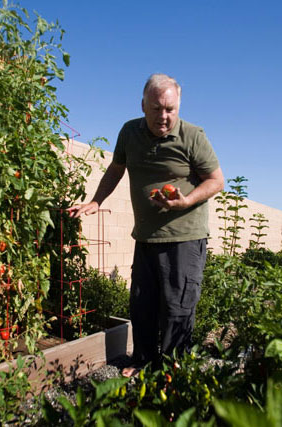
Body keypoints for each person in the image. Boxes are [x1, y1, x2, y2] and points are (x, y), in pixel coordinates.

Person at [69, 73, 224, 376]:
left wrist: (186, 201)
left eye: (170, 110)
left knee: (177, 307)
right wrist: (96, 201)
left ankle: (171, 370)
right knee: (142, 304)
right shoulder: (129, 132)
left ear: (178, 107)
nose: (164, 117)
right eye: (156, 109)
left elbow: (216, 181)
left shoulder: (193, 136)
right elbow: (116, 169)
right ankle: (142, 361)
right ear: (143, 105)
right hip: (146, 236)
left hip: (184, 237)